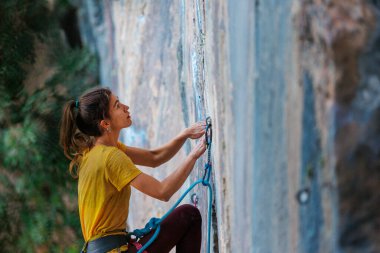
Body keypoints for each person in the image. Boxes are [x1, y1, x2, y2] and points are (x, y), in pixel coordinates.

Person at [59, 87, 207, 253]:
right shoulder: (110, 157)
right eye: (117, 106)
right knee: (188, 215)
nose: (126, 107)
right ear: (105, 123)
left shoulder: (96, 151)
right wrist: (194, 156)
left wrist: (185, 135)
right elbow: (163, 191)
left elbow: (154, 158)